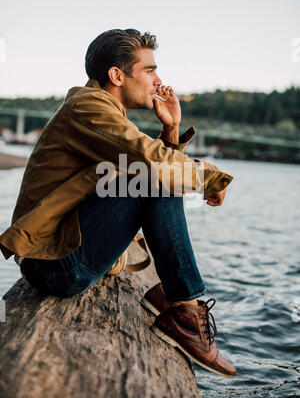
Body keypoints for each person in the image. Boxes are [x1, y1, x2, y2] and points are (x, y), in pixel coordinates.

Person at [0, 29, 236, 378]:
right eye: (150, 70)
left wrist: (171, 131)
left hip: (63, 258)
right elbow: (151, 165)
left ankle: (180, 306)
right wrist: (211, 178)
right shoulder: (88, 108)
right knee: (150, 173)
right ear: (117, 75)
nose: (159, 80)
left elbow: (150, 165)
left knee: (148, 173)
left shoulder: (102, 109)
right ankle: (184, 310)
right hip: (55, 268)